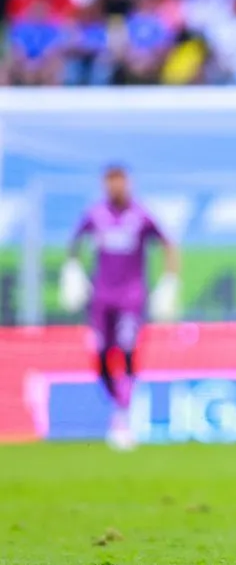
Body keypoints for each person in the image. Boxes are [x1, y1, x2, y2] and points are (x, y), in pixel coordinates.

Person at [60, 164, 180, 450]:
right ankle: (119, 405)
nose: (116, 188)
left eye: (120, 182)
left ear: (128, 183)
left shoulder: (141, 215)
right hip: (101, 298)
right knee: (100, 357)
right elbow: (74, 244)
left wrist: (169, 282)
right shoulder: (95, 215)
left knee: (126, 353)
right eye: (110, 182)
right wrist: (73, 271)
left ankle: (122, 419)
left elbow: (168, 245)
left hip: (131, 298)